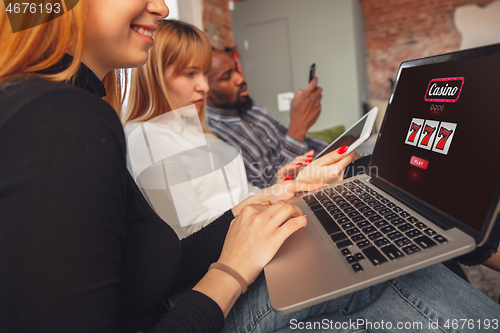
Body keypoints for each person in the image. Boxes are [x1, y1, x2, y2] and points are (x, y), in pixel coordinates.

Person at [2, 2, 500, 333]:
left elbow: (160, 262)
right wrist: (231, 270)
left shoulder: (70, 110)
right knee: (381, 265)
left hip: (189, 293)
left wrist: (257, 205)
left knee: (368, 241)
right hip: (197, 310)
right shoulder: (59, 119)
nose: (162, 6)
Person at [122, 20, 351, 239]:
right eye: (191, 73)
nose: (203, 87)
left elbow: (245, 194)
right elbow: (191, 239)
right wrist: (274, 195)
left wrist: (281, 183)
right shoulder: (148, 138)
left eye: (204, 73)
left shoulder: (198, 132)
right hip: (243, 250)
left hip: (264, 229)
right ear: (156, 75)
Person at [206, 49, 330, 189]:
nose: (241, 78)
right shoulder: (216, 136)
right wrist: (298, 128)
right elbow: (268, 190)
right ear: (205, 89)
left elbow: (287, 139)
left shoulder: (248, 106)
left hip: (324, 168)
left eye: (236, 69)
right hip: (308, 187)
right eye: (227, 77)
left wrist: (336, 149)